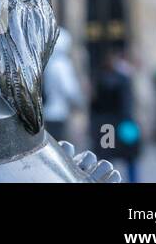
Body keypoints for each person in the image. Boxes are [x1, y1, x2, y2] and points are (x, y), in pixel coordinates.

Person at [90, 48, 142, 182]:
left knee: (106, 161)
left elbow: (94, 106)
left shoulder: (100, 79)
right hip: (123, 123)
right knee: (130, 158)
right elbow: (127, 104)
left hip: (106, 126)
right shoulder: (124, 79)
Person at [42, 27, 83, 143]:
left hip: (48, 110)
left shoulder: (49, 62)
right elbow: (68, 88)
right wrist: (78, 101)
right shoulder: (62, 64)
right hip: (58, 110)